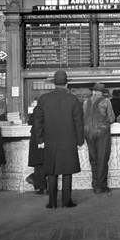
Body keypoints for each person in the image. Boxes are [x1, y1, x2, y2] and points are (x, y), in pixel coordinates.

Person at [33, 70, 84, 208]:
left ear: (54, 83)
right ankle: (67, 202)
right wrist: (80, 141)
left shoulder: (44, 99)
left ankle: (52, 202)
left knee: (51, 171)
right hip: (69, 141)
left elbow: (38, 120)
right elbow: (78, 122)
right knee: (67, 171)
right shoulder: (73, 99)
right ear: (66, 83)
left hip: (49, 140)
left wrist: (40, 140)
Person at [83, 83, 115, 194]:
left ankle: (95, 183)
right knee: (102, 158)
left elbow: (84, 117)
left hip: (88, 132)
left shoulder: (86, 102)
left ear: (93, 91)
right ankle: (101, 186)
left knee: (93, 159)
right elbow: (111, 118)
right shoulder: (106, 101)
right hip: (101, 132)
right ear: (102, 92)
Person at [26, 99, 48, 194]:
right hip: (44, 139)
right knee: (42, 163)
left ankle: (40, 185)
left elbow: (30, 121)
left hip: (37, 140)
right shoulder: (48, 110)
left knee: (39, 164)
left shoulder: (37, 110)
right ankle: (40, 184)